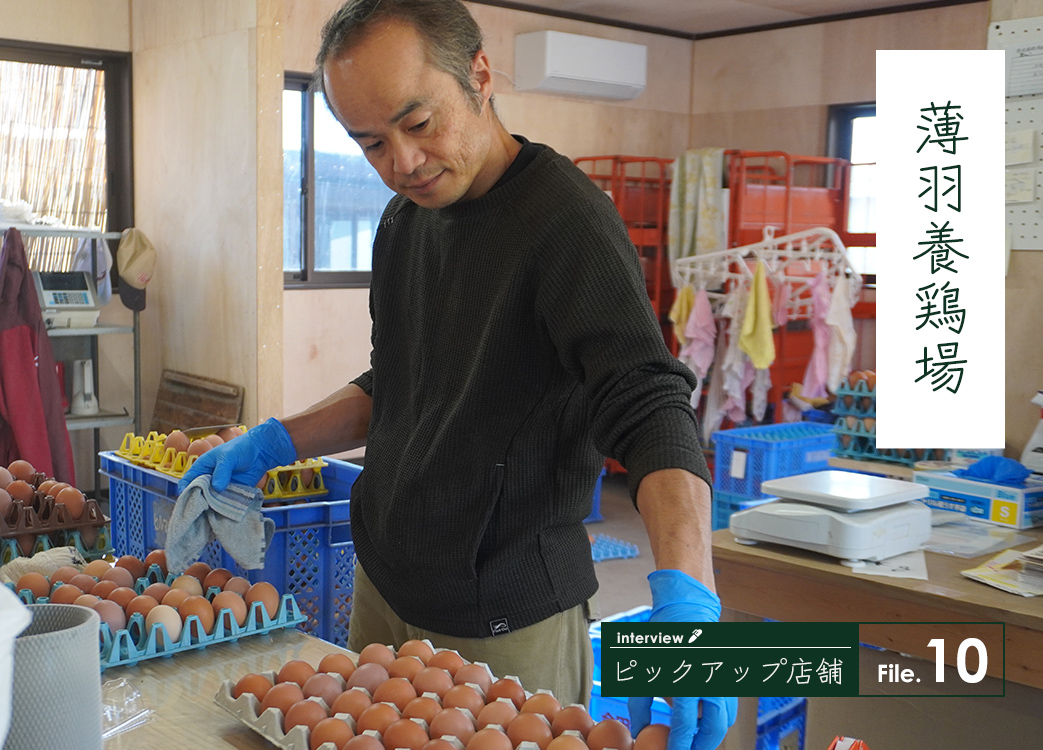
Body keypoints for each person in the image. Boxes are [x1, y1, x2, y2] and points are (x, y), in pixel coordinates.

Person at [179, 1, 736, 747]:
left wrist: (688, 583)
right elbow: (401, 382)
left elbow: (647, 401)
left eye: (418, 123)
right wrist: (278, 439)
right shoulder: (404, 222)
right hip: (386, 578)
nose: (400, 163)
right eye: (370, 143)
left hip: (504, 607)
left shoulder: (564, 222)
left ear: (478, 75)